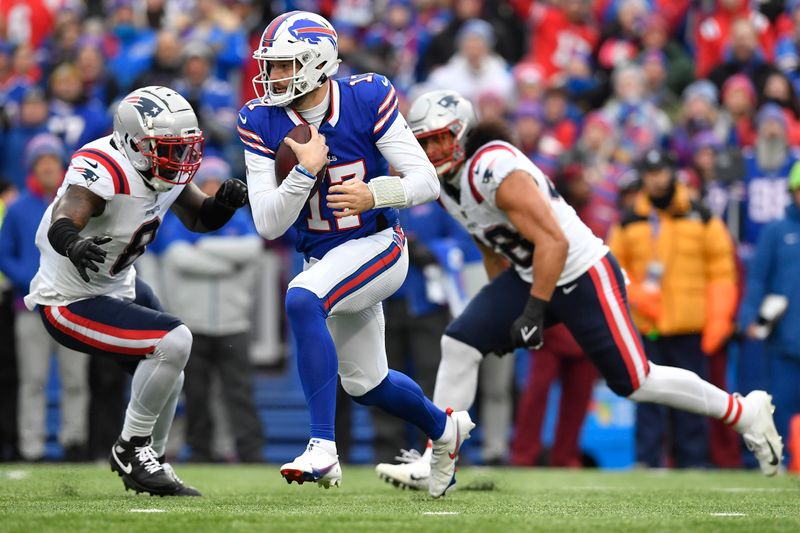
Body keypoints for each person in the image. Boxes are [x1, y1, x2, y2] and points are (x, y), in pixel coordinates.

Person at [375, 90, 783, 490]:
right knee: (460, 343)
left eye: (441, 138)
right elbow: (493, 248)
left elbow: (555, 243)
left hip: (582, 270)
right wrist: (498, 316)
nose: (433, 149)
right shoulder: (445, 184)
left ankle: (744, 411)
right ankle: (439, 460)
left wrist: (533, 312)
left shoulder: (492, 165)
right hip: (530, 271)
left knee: (635, 381)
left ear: (461, 134)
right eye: (425, 141)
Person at [237, 11, 473, 498]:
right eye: (271, 65)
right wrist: (304, 173)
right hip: (324, 259)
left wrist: (375, 194)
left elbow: (426, 180)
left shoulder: (366, 96)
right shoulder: (259, 118)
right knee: (368, 384)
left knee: (302, 299)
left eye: (283, 65)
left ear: (317, 62)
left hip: (379, 246)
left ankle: (323, 448)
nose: (272, 76)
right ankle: (446, 430)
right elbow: (267, 222)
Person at [23, 86, 248, 496]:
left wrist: (224, 205)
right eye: (166, 148)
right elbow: (65, 215)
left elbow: (200, 220)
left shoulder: (162, 167)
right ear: (132, 143)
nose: (177, 158)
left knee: (172, 369)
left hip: (116, 286)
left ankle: (152, 463)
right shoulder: (104, 165)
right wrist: (73, 243)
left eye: (181, 148)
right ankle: (131, 447)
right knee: (175, 340)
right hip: (69, 300)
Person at [608, 149, 739, 469]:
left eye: (661, 171)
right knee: (646, 396)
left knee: (692, 397)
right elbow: (612, 269)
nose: (656, 178)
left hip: (688, 324)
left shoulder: (702, 215)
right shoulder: (628, 220)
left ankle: (693, 460)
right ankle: (647, 459)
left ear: (672, 173)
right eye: (650, 172)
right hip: (647, 323)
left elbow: (722, 269)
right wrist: (637, 295)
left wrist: (719, 317)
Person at [154, 156, 265, 463]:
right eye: (208, 183)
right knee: (197, 395)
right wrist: (227, 263)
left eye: (218, 182)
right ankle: (200, 452)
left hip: (234, 322)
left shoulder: (240, 219)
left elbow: (253, 249)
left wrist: (202, 248)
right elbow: (178, 258)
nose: (213, 188)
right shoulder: (183, 217)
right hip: (193, 323)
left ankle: (250, 453)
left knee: (239, 393)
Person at [0, 134, 90, 462]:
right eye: (42, 162)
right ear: (33, 168)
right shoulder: (18, 208)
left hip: (73, 304)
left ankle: (74, 442)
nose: (48, 167)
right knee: (33, 380)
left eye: (53, 161)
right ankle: (31, 447)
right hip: (31, 306)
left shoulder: (81, 204)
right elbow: (4, 254)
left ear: (62, 166)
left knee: (75, 379)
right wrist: (33, 281)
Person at [738, 163, 800, 466]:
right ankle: (775, 464)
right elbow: (758, 277)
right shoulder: (776, 231)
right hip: (785, 339)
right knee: (780, 407)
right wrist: (748, 315)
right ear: (792, 192)